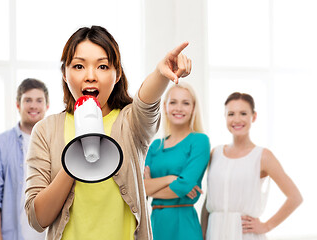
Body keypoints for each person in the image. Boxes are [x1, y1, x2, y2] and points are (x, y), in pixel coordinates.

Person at [24, 25, 192, 240]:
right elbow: (38, 219)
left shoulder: (130, 123)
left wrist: (161, 74)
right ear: (65, 74)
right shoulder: (46, 130)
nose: (91, 76)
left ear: (117, 74)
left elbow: (147, 101)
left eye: (102, 66)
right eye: (78, 66)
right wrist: (74, 162)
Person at [201, 92, 303, 240]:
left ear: (253, 116)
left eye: (243, 113)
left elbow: (295, 197)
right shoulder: (215, 153)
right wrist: (203, 232)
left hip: (245, 234)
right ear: (225, 117)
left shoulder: (263, 156)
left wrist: (266, 226)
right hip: (214, 232)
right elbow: (209, 199)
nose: (237, 119)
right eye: (231, 114)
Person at [143, 82, 210, 240]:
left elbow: (183, 186)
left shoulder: (199, 141)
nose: (178, 108)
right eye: (173, 102)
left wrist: (152, 187)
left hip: (184, 226)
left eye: (185, 103)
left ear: (193, 108)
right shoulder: (155, 146)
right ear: (165, 106)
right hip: (156, 226)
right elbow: (140, 190)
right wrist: (171, 179)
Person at [0, 78, 49, 240]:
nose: (33, 106)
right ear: (18, 105)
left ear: (46, 106)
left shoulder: (58, 144)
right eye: (28, 100)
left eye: (39, 100)